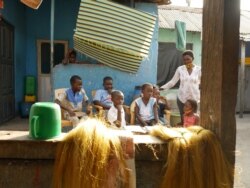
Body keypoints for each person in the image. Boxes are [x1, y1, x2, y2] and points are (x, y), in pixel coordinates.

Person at [160, 50, 201, 125]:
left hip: (194, 99)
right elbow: (173, 82)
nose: (186, 61)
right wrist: (162, 88)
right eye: (184, 60)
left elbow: (203, 83)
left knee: (194, 120)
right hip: (182, 98)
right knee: (184, 120)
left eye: (188, 59)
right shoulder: (180, 69)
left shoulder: (199, 69)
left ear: (193, 58)